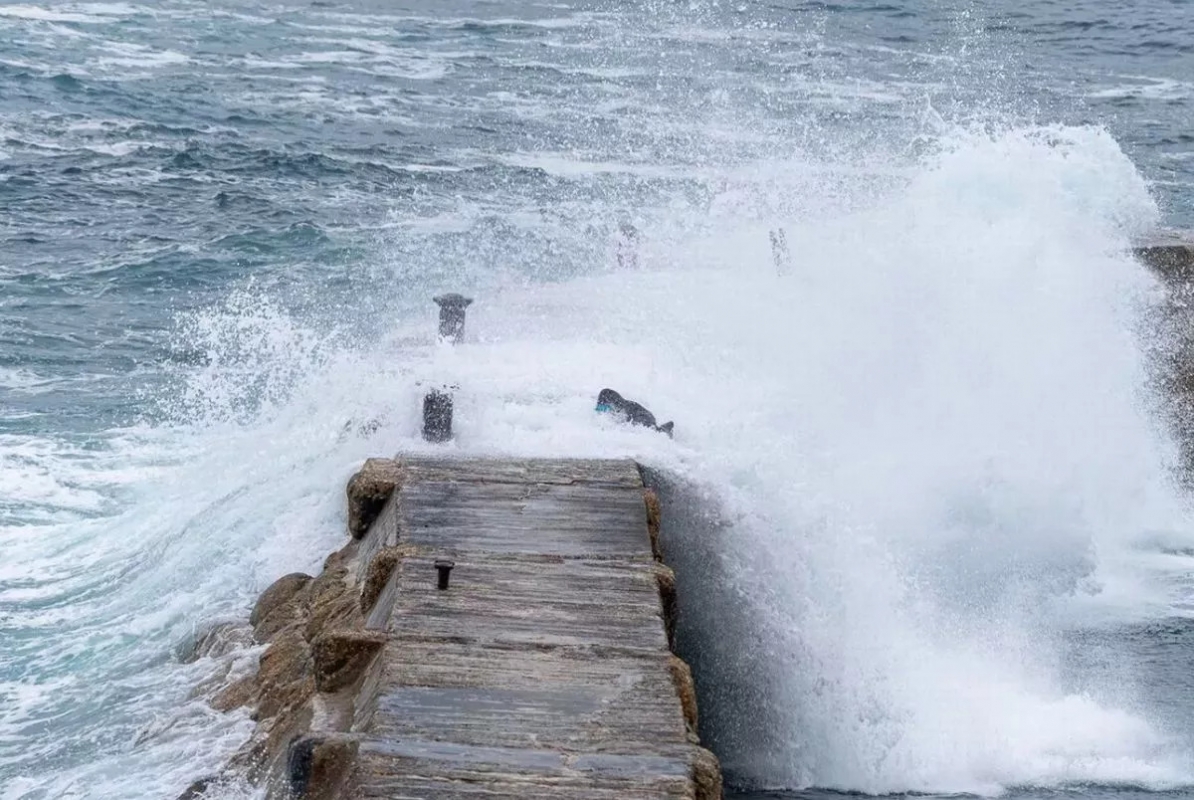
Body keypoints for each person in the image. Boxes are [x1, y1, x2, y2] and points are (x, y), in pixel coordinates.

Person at [595, 389, 673, 437]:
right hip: (644, 416)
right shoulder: (617, 406)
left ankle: (664, 431)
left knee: (647, 430)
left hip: (644, 417)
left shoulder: (622, 408)